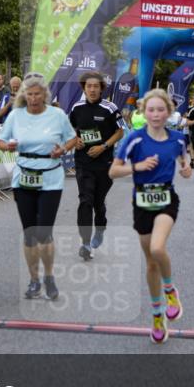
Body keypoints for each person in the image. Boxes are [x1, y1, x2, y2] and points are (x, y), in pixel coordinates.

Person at [109, 89, 191, 345]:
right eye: (151, 110)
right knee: (151, 262)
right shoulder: (134, 139)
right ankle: (157, 314)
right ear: (144, 112)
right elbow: (113, 171)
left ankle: (170, 290)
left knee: (158, 247)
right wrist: (138, 167)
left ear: (169, 112)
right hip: (142, 202)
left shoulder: (178, 139)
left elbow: (183, 159)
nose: (155, 114)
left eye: (160, 109)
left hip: (166, 199)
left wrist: (186, 168)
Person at [0, 73, 78, 300]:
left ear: (45, 95)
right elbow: (1, 141)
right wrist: (8, 146)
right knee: (29, 234)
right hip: (23, 178)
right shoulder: (16, 115)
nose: (33, 98)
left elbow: (72, 138)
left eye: (37, 94)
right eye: (29, 94)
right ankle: (34, 280)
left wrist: (62, 149)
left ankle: (49, 276)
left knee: (44, 232)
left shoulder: (57, 115)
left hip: (51, 178)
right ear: (24, 95)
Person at [68, 71, 124, 261]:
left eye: (96, 86)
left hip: (104, 163)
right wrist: (76, 140)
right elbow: (70, 130)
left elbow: (120, 131)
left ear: (101, 88)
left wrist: (103, 146)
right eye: (88, 86)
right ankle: (84, 243)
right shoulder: (76, 107)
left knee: (98, 204)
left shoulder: (110, 108)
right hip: (83, 162)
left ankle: (99, 229)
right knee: (85, 200)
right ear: (84, 87)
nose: (92, 90)